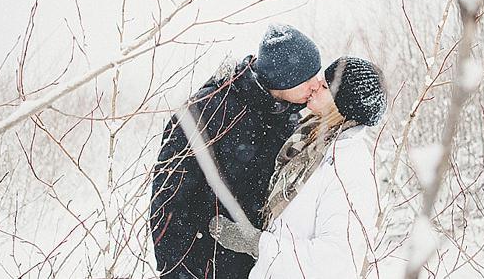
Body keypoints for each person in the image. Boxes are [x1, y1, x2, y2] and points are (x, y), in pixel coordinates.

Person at [150, 24, 323, 278]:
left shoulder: (288, 117)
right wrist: (177, 272)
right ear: (283, 78)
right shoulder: (207, 112)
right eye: (307, 78)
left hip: (259, 268)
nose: (316, 85)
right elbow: (167, 202)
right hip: (205, 265)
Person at [209, 56, 388, 279]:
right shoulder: (311, 139)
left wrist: (256, 244)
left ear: (342, 104)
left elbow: (337, 261)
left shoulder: (347, 165)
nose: (315, 87)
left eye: (324, 86)